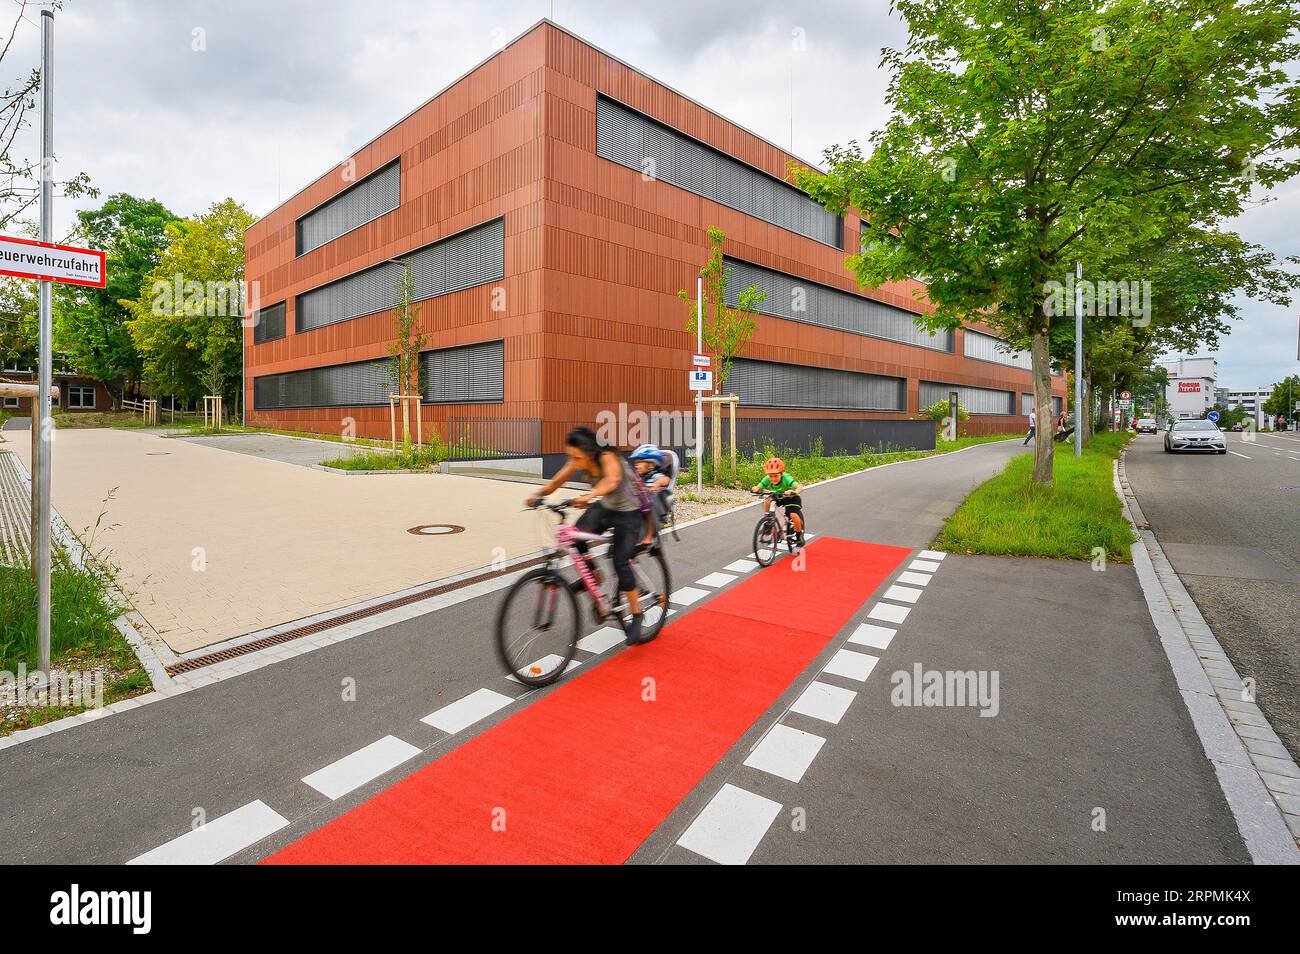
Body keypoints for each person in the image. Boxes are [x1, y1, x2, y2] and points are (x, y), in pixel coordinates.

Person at [526, 427, 656, 645]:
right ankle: (594, 576)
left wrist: (590, 495)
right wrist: (537, 495)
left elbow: (612, 480)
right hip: (606, 506)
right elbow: (557, 481)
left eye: (577, 457)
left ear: (589, 452)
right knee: (574, 537)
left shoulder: (608, 456)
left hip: (629, 512)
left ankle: (636, 613)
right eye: (571, 457)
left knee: (620, 561)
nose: (574, 462)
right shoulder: (578, 460)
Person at [751, 456, 805, 548]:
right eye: (771, 476)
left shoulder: (786, 478)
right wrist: (756, 488)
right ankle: (768, 519)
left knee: (793, 514)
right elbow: (760, 486)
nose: (773, 478)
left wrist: (794, 492)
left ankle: (799, 535)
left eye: (776, 475)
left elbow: (799, 486)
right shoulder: (768, 478)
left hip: (791, 497)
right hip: (779, 496)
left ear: (781, 473)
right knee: (768, 499)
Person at [629, 443, 676, 529]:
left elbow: (666, 480)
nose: (636, 466)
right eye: (635, 463)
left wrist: (657, 484)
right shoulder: (640, 478)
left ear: (651, 466)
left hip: (649, 506)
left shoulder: (655, 476)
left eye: (639, 463)